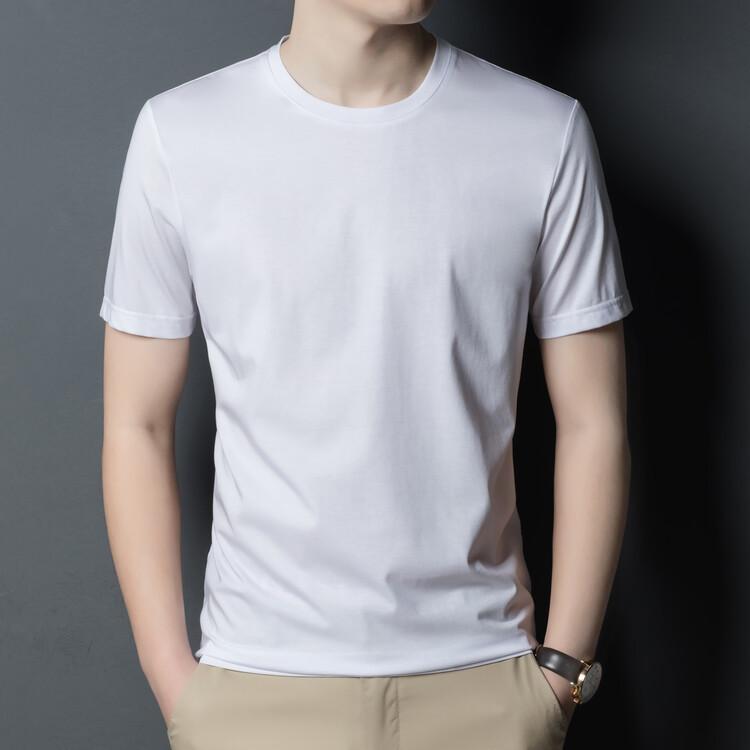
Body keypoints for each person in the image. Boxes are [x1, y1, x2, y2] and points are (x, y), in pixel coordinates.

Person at [99, 1, 633, 748]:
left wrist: (561, 674)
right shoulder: (182, 133)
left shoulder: (542, 131)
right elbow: (137, 424)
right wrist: (178, 684)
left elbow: (593, 422)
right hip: (256, 690)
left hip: (486, 685)